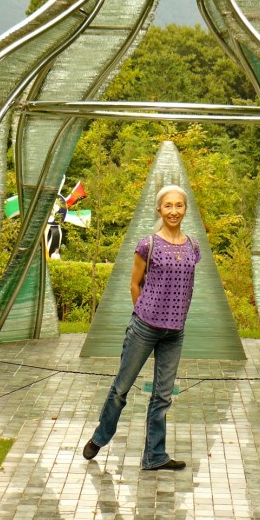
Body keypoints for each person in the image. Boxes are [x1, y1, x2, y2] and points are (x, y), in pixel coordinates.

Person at [83, 184, 201, 470]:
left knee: (163, 394)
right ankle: (100, 437)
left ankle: (154, 456)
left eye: (179, 205)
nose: (174, 211)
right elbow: (135, 283)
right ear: (159, 209)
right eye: (168, 206)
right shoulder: (147, 245)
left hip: (175, 332)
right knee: (122, 388)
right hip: (145, 327)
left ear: (185, 209)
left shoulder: (193, 246)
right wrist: (142, 313)